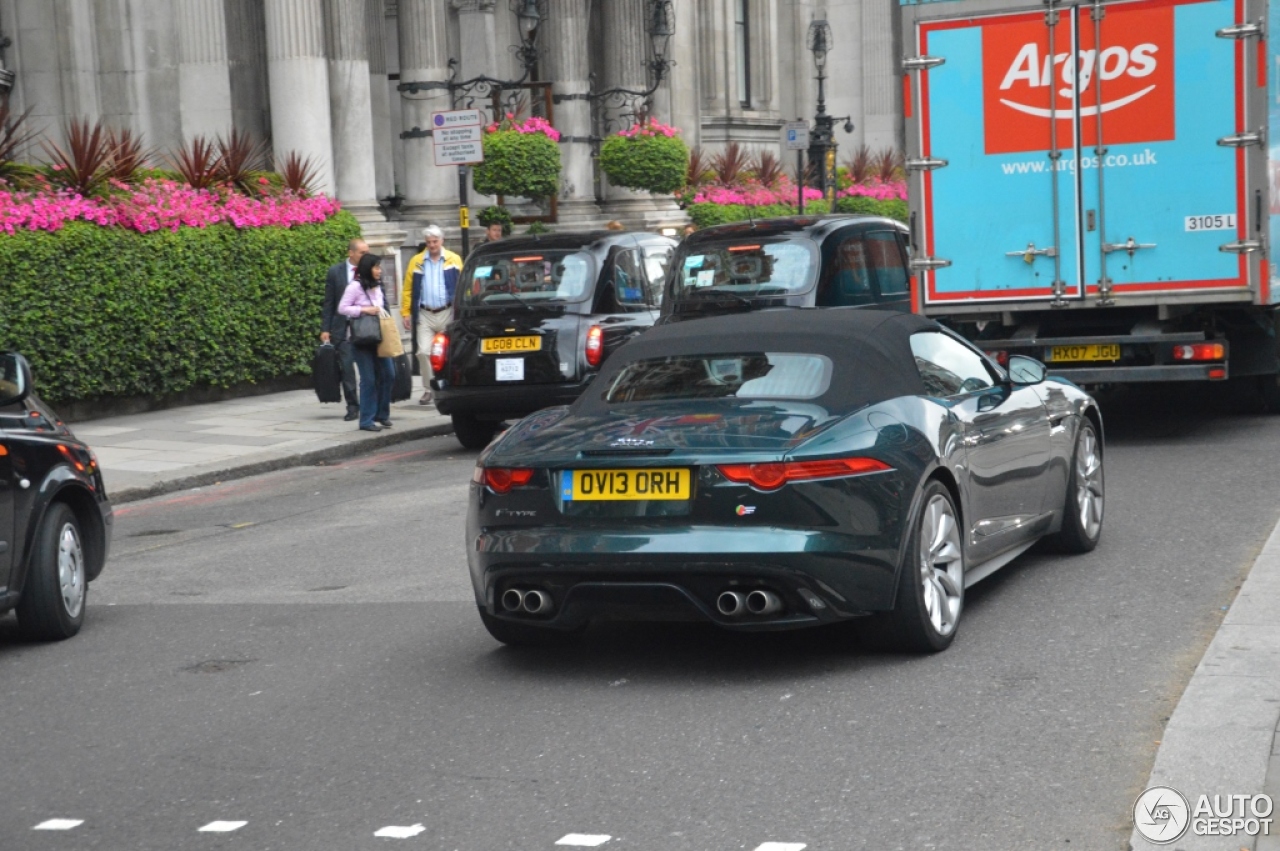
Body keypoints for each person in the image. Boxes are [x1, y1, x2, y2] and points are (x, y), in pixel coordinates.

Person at [401, 225, 463, 405]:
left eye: (435, 241)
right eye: (428, 242)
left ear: (442, 241)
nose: (432, 245)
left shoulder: (454, 259)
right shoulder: (416, 261)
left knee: (447, 352)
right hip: (425, 312)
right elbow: (407, 289)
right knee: (423, 351)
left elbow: (462, 285)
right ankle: (429, 388)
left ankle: (447, 383)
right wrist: (406, 312)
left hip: (447, 311)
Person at [340, 253, 395, 432]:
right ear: (367, 269)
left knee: (389, 374)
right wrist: (365, 310)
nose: (379, 271)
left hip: (379, 337)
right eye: (376, 267)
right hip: (361, 339)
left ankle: (382, 414)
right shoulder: (355, 286)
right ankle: (366, 420)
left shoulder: (377, 286)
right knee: (369, 379)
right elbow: (342, 308)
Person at [321, 238, 368, 421]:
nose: (366, 256)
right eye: (362, 253)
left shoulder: (370, 270)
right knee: (347, 370)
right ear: (351, 253)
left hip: (365, 327)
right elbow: (329, 302)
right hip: (343, 328)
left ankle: (369, 404)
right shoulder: (335, 272)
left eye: (367, 252)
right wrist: (326, 328)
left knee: (367, 370)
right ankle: (352, 406)